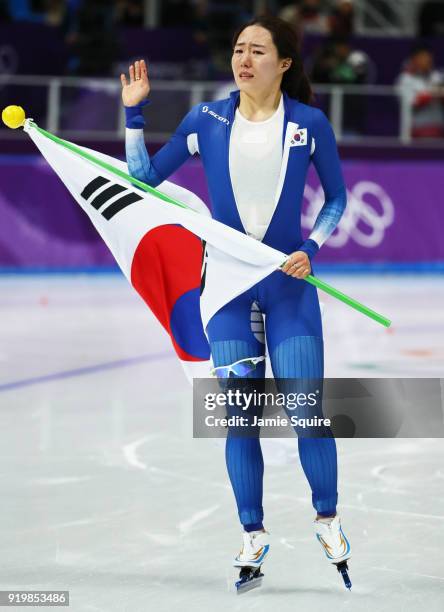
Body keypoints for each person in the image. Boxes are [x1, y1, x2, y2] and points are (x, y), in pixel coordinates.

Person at [120, 15, 351, 589]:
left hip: (288, 286)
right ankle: (252, 533)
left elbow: (336, 198)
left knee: (305, 414)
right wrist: (133, 114)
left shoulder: (308, 123)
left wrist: (312, 246)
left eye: (257, 51)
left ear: (285, 63)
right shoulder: (207, 119)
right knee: (240, 421)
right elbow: (144, 179)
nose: (243, 59)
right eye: (238, 49)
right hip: (225, 290)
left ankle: (328, 518)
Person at [396, 44, 444, 139]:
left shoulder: (437, 76)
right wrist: (434, 93)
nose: (427, 60)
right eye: (423, 57)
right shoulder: (405, 79)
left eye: (428, 57)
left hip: (439, 128)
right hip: (417, 129)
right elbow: (413, 103)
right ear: (414, 60)